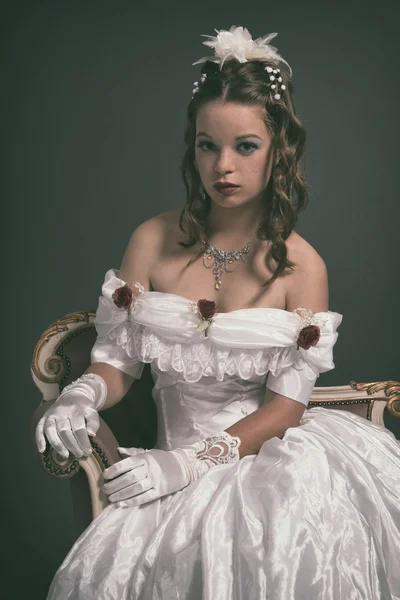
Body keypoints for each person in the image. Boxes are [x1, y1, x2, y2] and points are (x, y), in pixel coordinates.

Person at [36, 25, 400, 600]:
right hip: (164, 461)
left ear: (279, 149)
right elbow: (117, 363)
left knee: (287, 537)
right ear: (193, 147)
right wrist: (81, 393)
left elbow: (283, 408)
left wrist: (186, 464)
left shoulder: (303, 266)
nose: (222, 166)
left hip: (265, 457)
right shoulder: (151, 240)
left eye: (245, 146)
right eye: (208, 145)